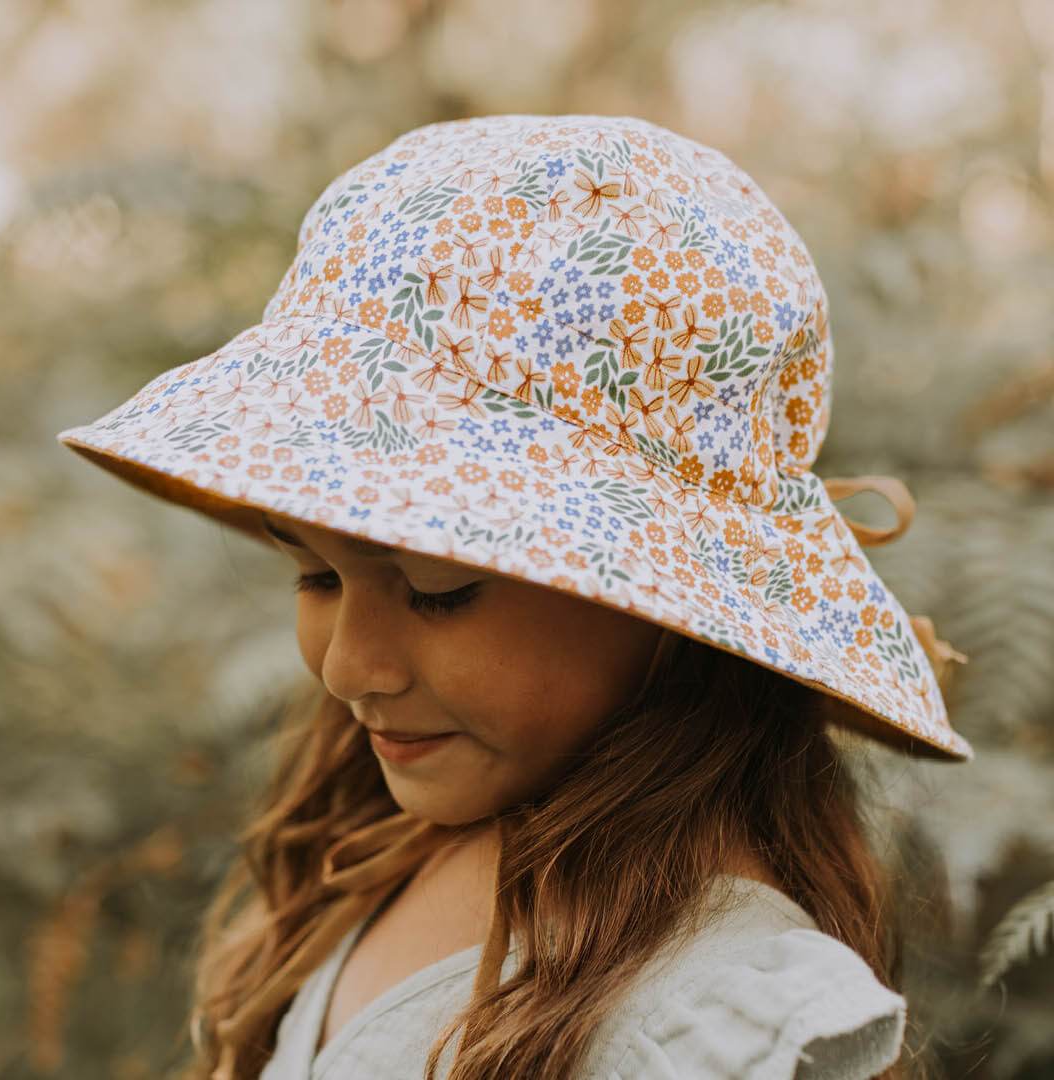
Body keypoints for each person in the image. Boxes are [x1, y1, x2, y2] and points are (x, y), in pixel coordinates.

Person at [56, 113, 974, 1080]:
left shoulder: (708, 1017)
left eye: (439, 590)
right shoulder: (384, 841)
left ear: (664, 603)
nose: (344, 665)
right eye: (316, 573)